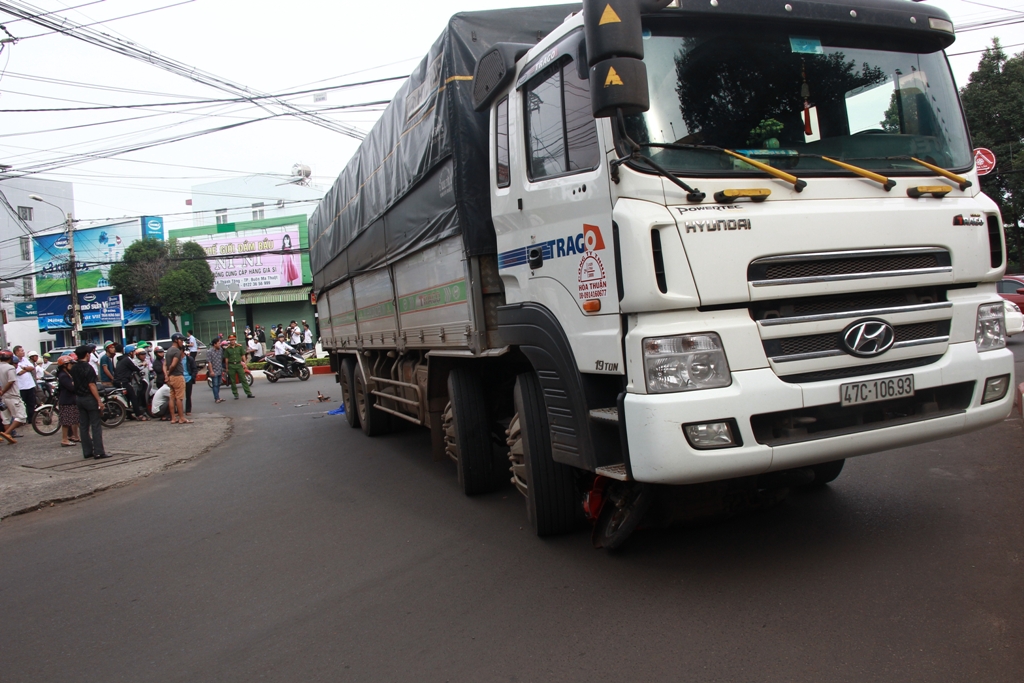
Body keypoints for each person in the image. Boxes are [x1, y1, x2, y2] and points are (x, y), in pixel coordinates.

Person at [70, 344, 108, 459]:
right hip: (89, 397)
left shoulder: (74, 368)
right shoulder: (88, 367)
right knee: (95, 425)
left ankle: (87, 451)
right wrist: (99, 401)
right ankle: (99, 451)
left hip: (79, 398)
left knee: (83, 426)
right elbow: (91, 385)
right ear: (87, 354)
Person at [114, 347, 147, 421]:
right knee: (133, 397)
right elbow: (136, 368)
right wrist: (144, 365)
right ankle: (139, 415)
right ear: (130, 353)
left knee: (128, 398)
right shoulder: (127, 359)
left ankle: (128, 414)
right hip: (123, 381)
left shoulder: (121, 360)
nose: (134, 354)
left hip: (118, 381)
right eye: (133, 352)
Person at [164, 333, 190, 424]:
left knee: (172, 397)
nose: (182, 342)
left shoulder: (168, 351)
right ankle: (181, 418)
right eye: (181, 340)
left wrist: (167, 375)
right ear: (176, 340)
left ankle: (173, 418)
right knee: (179, 398)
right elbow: (173, 365)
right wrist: (169, 372)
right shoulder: (177, 351)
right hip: (177, 376)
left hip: (171, 378)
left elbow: (165, 365)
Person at [56, 355, 81, 446]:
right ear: (65, 365)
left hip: (70, 400)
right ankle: (64, 439)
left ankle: (77, 436)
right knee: (66, 422)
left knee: (75, 419)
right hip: (67, 401)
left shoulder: (67, 374)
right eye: (70, 364)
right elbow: (71, 387)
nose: (72, 365)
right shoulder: (63, 376)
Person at [0, 351, 23, 443]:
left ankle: (8, 436)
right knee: (21, 417)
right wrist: (3, 391)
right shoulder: (10, 368)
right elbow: (11, 381)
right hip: (12, 395)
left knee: (6, 418)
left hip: (3, 397)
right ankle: (7, 433)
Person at [223, 334, 253, 400]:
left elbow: (243, 356)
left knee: (243, 379)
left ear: (235, 340)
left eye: (233, 339)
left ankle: (248, 393)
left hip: (239, 365)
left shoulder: (239, 347)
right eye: (231, 340)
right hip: (231, 365)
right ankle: (235, 394)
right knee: (233, 381)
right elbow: (226, 359)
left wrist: (245, 364)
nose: (232, 341)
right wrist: (227, 368)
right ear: (229, 341)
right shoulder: (227, 349)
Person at [13, 345, 37, 427]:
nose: (23, 352)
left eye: (23, 350)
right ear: (16, 352)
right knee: (22, 404)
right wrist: (27, 369)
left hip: (30, 385)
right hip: (21, 386)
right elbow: (18, 372)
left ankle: (31, 419)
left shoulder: (25, 359)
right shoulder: (14, 361)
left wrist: (24, 368)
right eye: (21, 351)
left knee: (31, 403)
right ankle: (22, 420)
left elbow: (32, 367)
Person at [207, 338, 225, 404]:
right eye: (218, 343)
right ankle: (216, 398)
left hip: (219, 369)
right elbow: (209, 362)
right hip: (214, 370)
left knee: (219, 384)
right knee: (215, 384)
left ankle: (218, 396)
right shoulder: (210, 351)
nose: (219, 344)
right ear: (214, 344)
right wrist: (211, 371)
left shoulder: (220, 350)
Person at [183, 351, 197, 416]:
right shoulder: (176, 360)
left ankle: (188, 410)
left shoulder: (189, 359)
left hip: (188, 379)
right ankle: (177, 410)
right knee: (178, 396)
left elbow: (194, 369)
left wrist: (192, 377)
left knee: (188, 395)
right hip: (179, 379)